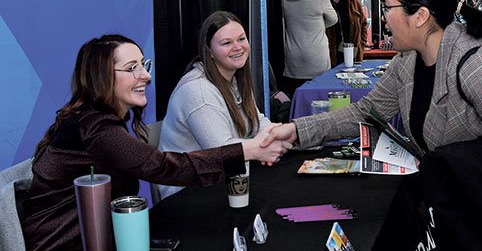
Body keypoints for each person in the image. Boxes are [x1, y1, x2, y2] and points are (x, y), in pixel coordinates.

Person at [264, 0, 482, 247]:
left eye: (388, 7)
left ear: (420, 16)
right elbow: (365, 110)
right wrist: (296, 129)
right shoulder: (408, 61)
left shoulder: (477, 66)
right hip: (480, 205)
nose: (383, 17)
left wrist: (454, 167)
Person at [21, 34, 291, 251]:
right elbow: (163, 167)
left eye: (143, 64)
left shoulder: (92, 121)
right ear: (101, 77)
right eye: (132, 68)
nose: (146, 76)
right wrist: (248, 150)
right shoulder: (95, 129)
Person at [157, 11, 276, 199]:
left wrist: (277, 134)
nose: (237, 47)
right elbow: (222, 150)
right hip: (190, 193)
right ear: (209, 51)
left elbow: (257, 121)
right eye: (226, 43)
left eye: (241, 39)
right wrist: (264, 144)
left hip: (226, 179)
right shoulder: (198, 91)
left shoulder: (235, 77)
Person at [281, 0, 338, 96]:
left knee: (296, 101)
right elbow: (334, 19)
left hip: (293, 58)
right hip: (316, 59)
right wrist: (318, 25)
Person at [324, 0, 368, 65]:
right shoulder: (323, 1)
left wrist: (361, 45)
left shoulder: (353, 2)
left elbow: (363, 23)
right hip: (330, 53)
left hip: (352, 53)